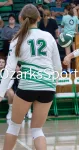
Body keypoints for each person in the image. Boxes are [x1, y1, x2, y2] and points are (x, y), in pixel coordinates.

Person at [0, 4, 62, 150]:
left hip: (28, 84)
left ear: (20, 19)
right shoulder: (49, 37)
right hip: (48, 85)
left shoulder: (17, 39)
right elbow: (57, 68)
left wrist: (0, 92)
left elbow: (9, 69)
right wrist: (52, 85)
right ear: (39, 18)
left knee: (14, 127)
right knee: (37, 130)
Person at [61, 5, 79, 73]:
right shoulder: (75, 17)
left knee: (68, 53)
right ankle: (78, 69)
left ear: (66, 10)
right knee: (76, 52)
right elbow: (76, 29)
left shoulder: (64, 17)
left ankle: (68, 69)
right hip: (74, 36)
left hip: (67, 36)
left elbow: (62, 25)